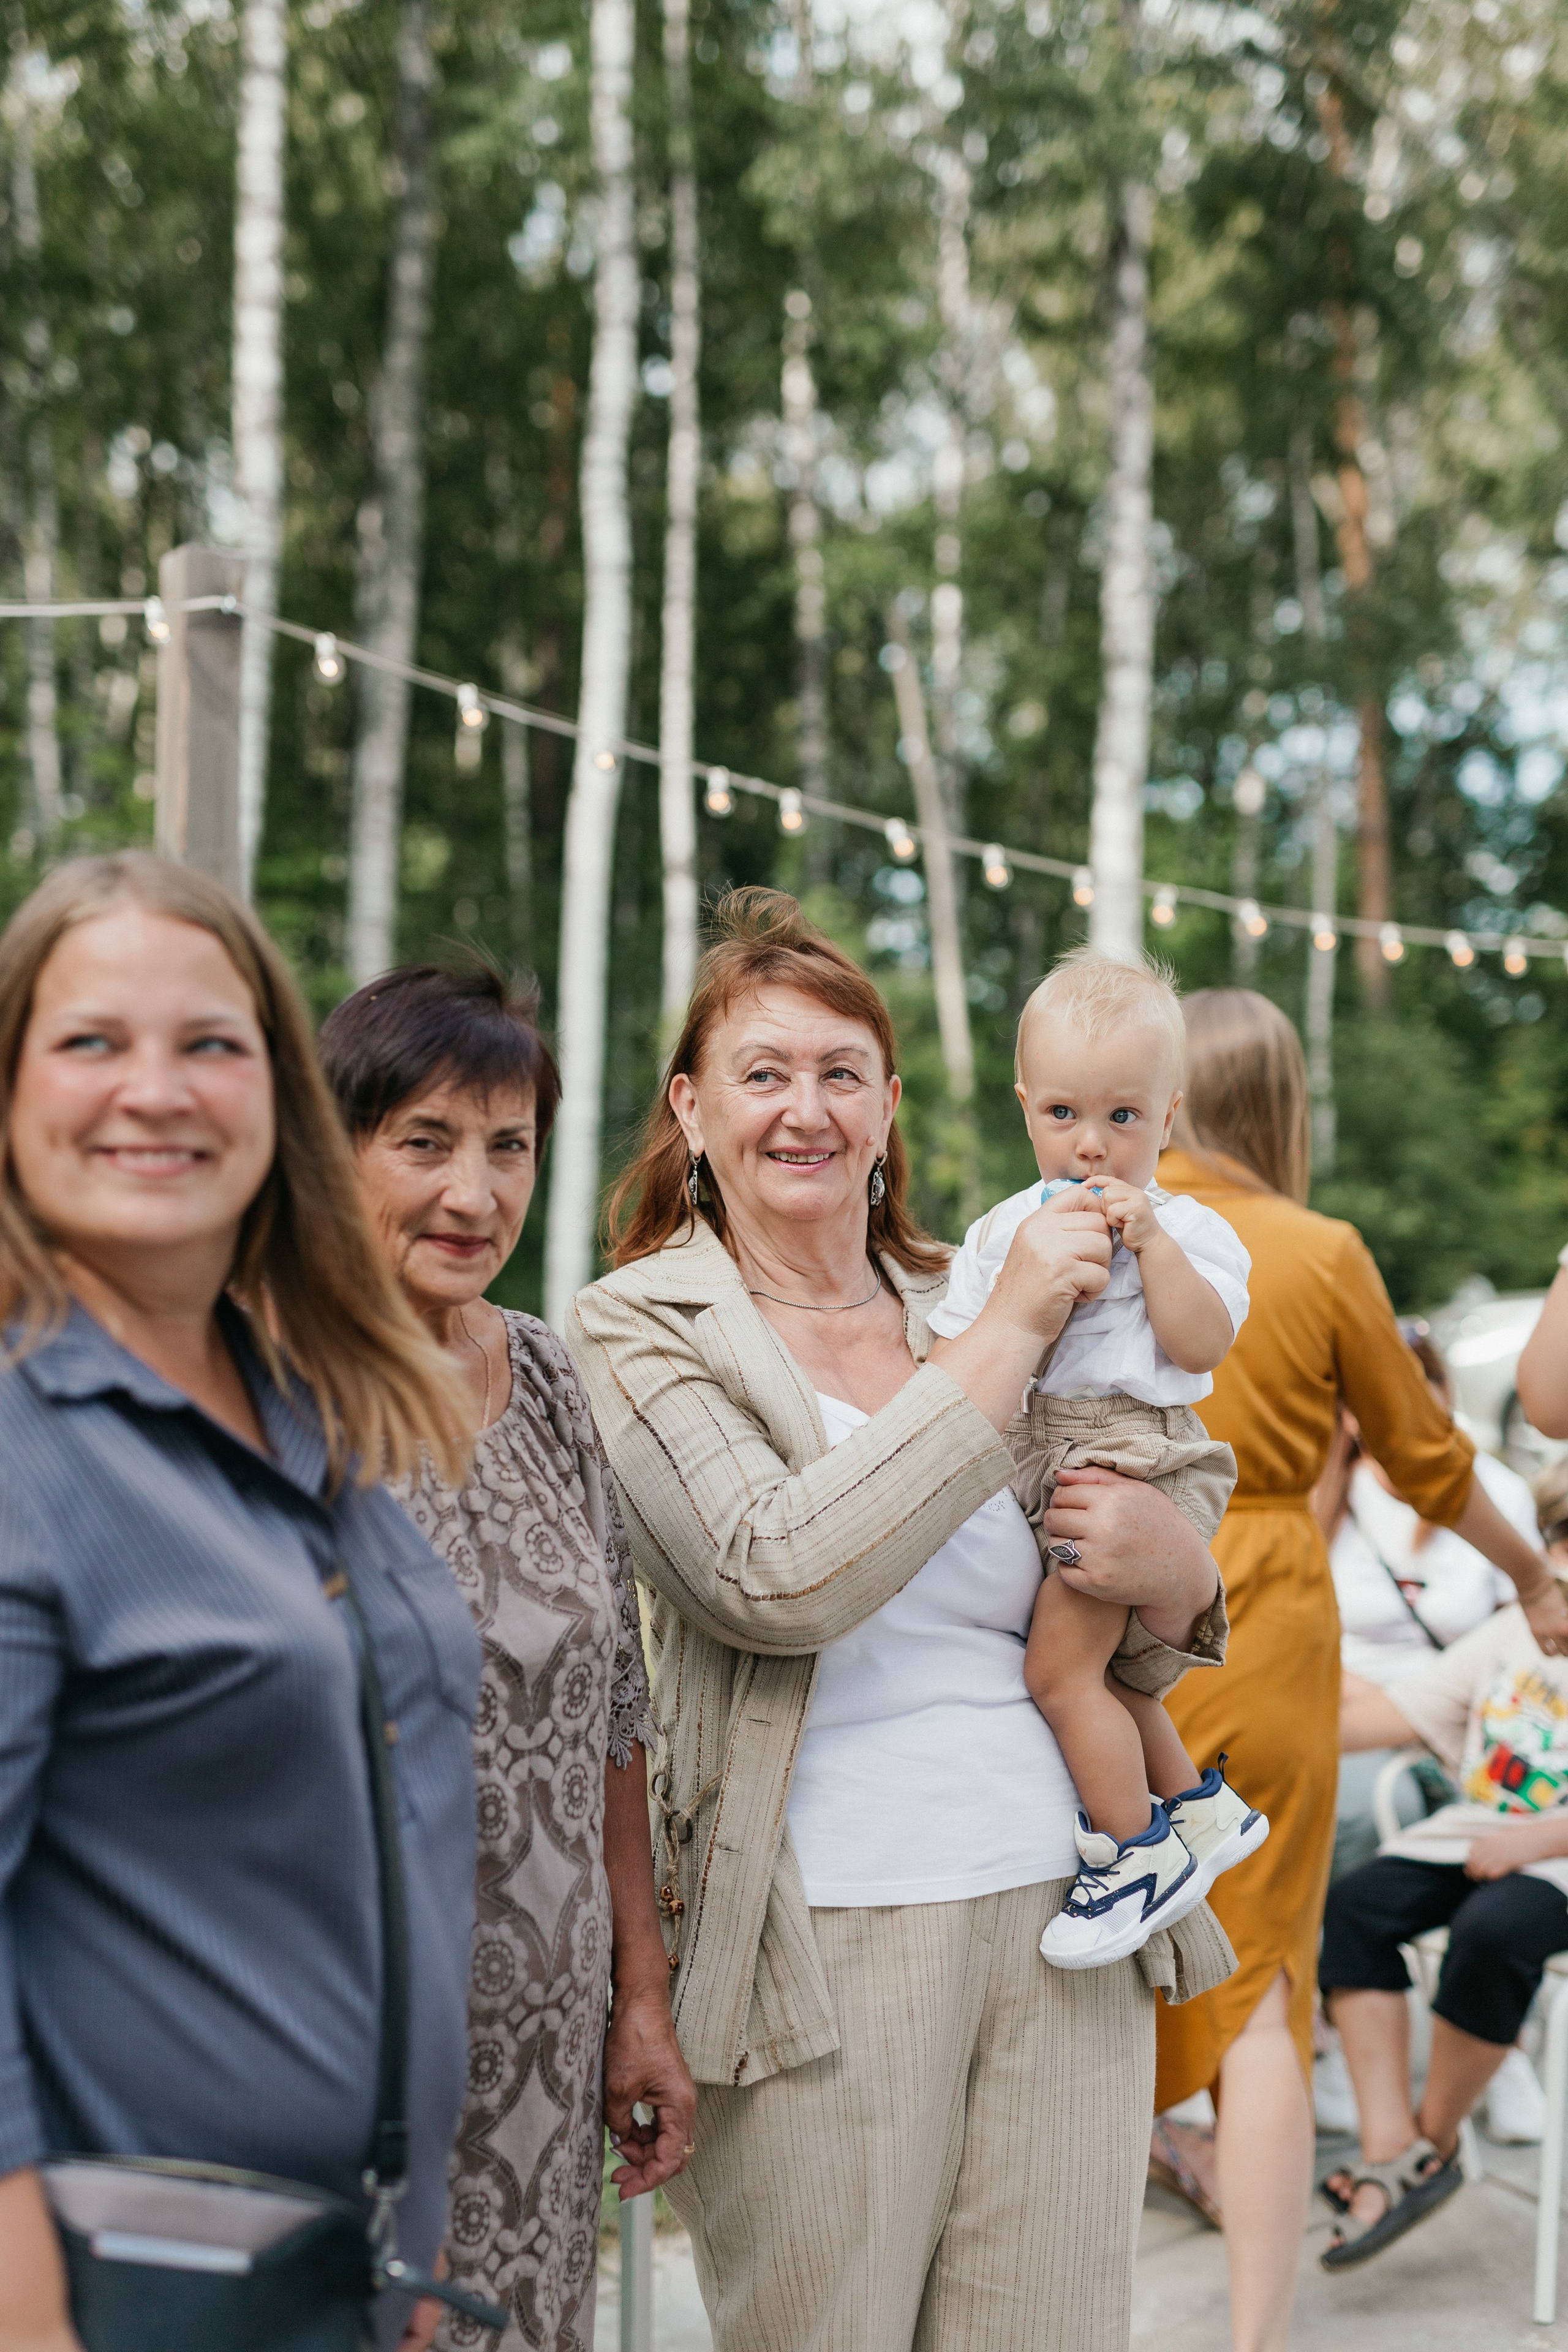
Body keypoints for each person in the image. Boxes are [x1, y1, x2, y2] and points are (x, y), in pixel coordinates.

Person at [567, 889, 1236, 2352]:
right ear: (690, 1107)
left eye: (839, 1073)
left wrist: (1177, 1568)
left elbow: (1134, 1595)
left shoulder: (964, 1287)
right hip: (822, 1934)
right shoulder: (638, 1327)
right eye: (761, 1073)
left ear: (886, 1106)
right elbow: (772, 1575)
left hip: (1066, 1912)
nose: (803, 1109)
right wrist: (1004, 1339)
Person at [0, 852, 481, 2352]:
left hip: (327, 2270)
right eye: (91, 1042)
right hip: (121, 2290)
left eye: (209, 1042)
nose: (156, 1088)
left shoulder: (309, 1412)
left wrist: (391, 2246)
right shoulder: (22, 1437)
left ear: (275, 1095)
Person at [1147, 989, 1564, 2352]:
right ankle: (1252, 2342)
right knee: (1263, 1992)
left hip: (1095, 1601)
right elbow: (1430, 1461)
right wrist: (1525, 1571)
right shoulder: (1314, 1249)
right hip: (1259, 1606)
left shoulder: (1086, 1217)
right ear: (1278, 1102)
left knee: (1086, 1976)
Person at [318, 961, 695, 2352]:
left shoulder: (542, 1374)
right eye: (422, 1141)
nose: (471, 1195)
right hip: (357, 2061)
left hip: (545, 2065)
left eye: (507, 1145)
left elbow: (613, 1712)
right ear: (332, 1149)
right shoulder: (281, 1389)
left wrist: (639, 2000)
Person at [928, 949, 1266, 1969]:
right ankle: (1199, 1813)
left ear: (1168, 1119)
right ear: (1026, 1109)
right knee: (1115, 1677)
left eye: (1123, 1119)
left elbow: (1204, 1347)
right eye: (1065, 1115)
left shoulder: (1196, 1229)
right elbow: (951, 1360)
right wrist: (1024, 1287)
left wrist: (1153, 1246)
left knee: (1060, 1670)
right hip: (1042, 1459)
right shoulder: (1002, 1228)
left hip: (1133, 1457)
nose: (1092, 1146)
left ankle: (1132, 1856)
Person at [1317, 1597, 1568, 2266]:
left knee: (1490, 1931)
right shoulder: (1521, 1622)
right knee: (1353, 1908)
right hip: (1480, 1832)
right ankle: (1390, 2150)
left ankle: (1430, 2146)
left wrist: (1544, 1837)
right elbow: (1391, 1715)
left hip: (1560, 1858)